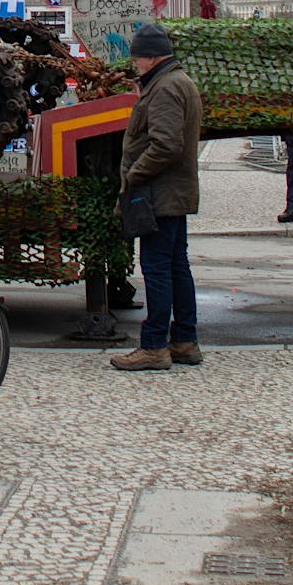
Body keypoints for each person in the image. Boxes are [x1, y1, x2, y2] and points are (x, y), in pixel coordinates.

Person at [110, 21, 204, 372]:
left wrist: (134, 175)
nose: (135, 64)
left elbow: (165, 144)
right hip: (174, 192)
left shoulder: (165, 88)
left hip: (160, 194)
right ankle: (184, 340)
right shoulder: (179, 82)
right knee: (178, 266)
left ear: (150, 57)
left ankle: (154, 346)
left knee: (157, 268)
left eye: (137, 59)